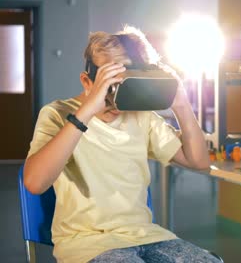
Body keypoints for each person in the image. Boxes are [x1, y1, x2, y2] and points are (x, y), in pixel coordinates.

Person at [23, 25, 219, 263]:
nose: (116, 102)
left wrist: (181, 105)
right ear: (87, 81)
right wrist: (86, 112)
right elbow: (34, 183)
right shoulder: (57, 114)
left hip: (147, 236)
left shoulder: (140, 115)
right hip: (88, 243)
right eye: (111, 85)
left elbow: (198, 161)